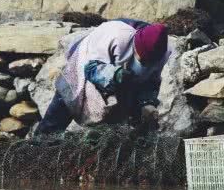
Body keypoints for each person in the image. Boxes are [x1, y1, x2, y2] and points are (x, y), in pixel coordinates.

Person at [34, 20, 170, 136]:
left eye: (148, 63)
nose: (144, 65)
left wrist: (147, 103)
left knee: (124, 121)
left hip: (126, 82)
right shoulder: (116, 37)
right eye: (142, 60)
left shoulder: (162, 54)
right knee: (63, 106)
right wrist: (114, 74)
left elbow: (151, 81)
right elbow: (91, 68)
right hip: (84, 66)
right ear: (135, 47)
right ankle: (39, 146)